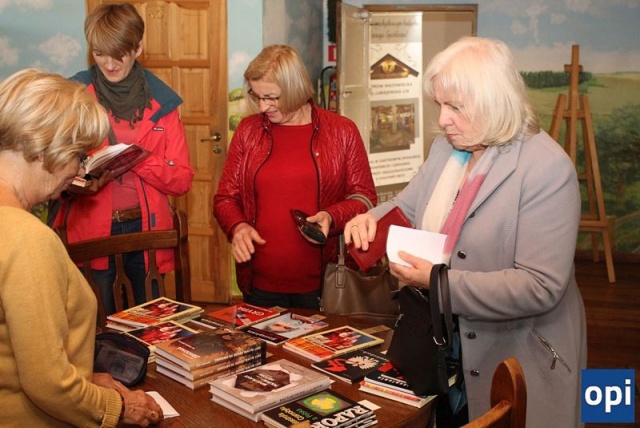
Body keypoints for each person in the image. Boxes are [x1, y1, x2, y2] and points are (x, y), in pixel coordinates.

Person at [345, 36, 586, 427]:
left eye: (455, 106)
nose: (442, 120)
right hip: (446, 348)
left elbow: (540, 286)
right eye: (440, 105)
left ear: (495, 102)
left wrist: (438, 282)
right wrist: (372, 217)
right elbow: (409, 206)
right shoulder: (448, 148)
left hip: (516, 356)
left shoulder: (547, 169)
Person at [0, 68, 163, 426]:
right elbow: (48, 384)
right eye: (79, 156)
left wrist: (85, 380)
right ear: (45, 149)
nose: (79, 171)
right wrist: (118, 407)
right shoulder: (26, 238)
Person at [50, 3, 194, 314]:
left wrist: (138, 158)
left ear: (138, 48)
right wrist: (76, 180)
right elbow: (50, 167)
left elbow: (182, 179)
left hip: (148, 230)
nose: (109, 63)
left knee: (151, 322)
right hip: (88, 229)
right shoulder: (72, 96)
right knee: (97, 322)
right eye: (99, 53)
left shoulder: (164, 101)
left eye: (118, 54)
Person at [213, 44, 376, 310]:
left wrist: (331, 217)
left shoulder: (342, 131)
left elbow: (365, 198)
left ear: (295, 89)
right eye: (256, 96)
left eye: (271, 98)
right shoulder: (248, 131)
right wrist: (238, 227)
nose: (262, 107)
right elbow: (225, 198)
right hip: (259, 282)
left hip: (323, 284)